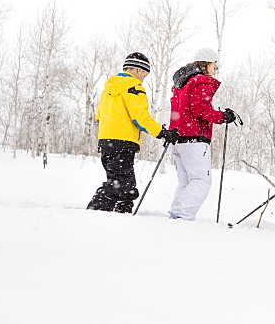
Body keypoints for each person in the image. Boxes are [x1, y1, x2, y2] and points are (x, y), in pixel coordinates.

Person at [87, 52, 180, 213]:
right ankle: (94, 212)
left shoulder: (109, 89)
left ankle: (122, 215)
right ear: (137, 70)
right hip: (122, 142)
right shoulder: (134, 88)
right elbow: (140, 118)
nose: (144, 78)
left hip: (106, 142)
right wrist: (163, 132)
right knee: (119, 184)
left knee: (125, 184)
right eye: (144, 73)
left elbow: (99, 118)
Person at [167, 47, 239, 221]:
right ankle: (181, 215)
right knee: (201, 181)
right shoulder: (200, 80)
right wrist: (223, 117)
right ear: (207, 63)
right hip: (194, 139)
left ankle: (176, 218)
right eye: (215, 66)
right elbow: (200, 109)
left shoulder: (182, 83)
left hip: (179, 138)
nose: (215, 71)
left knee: (186, 182)